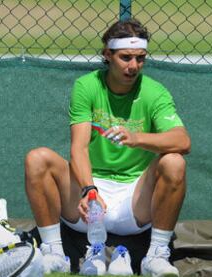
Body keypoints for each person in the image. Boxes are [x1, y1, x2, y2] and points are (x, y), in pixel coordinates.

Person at [24, 18, 191, 277]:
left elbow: (182, 141)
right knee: (37, 158)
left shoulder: (155, 92)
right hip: (88, 202)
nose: (133, 66)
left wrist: (136, 138)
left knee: (174, 161)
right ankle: (54, 253)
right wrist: (89, 191)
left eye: (140, 58)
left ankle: (155, 256)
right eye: (125, 57)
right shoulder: (86, 86)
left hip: (135, 205)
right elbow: (78, 149)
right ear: (107, 55)